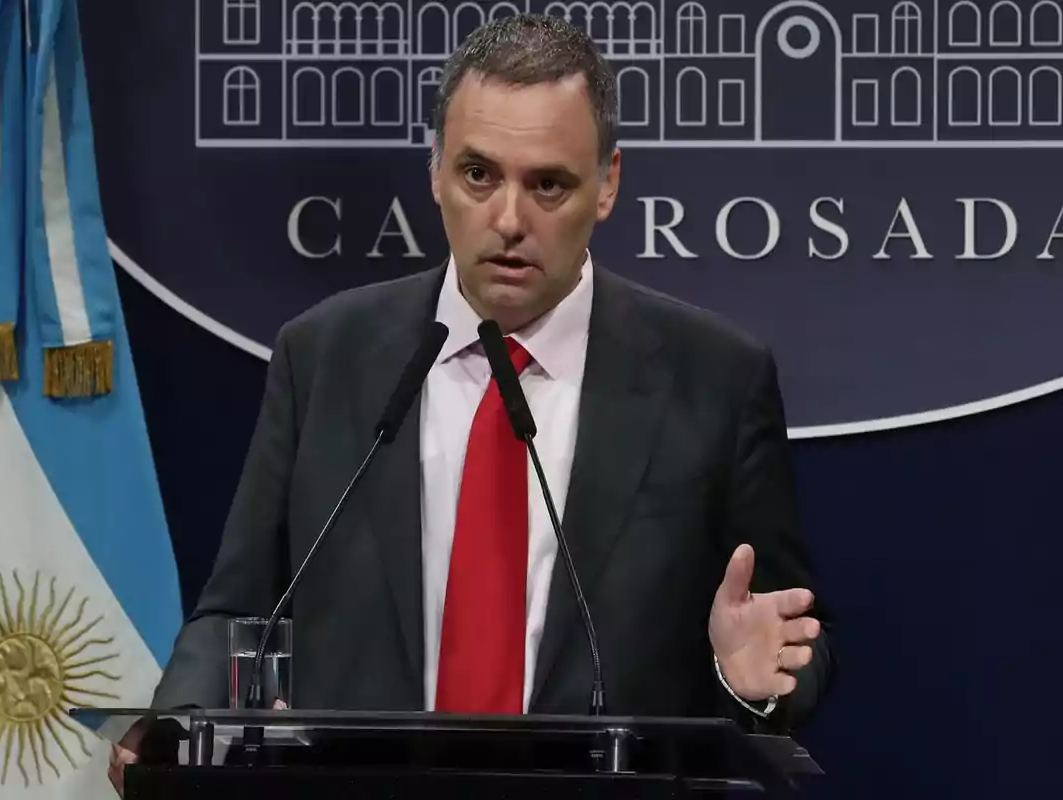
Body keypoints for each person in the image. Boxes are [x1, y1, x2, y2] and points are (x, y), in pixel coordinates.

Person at [109, 13, 834, 792]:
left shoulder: (714, 379)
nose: (510, 220)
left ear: (608, 184)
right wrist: (172, 725)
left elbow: (786, 634)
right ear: (436, 173)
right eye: (479, 175)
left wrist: (750, 678)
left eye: (548, 183)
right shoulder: (326, 357)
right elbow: (236, 610)